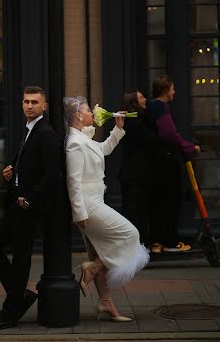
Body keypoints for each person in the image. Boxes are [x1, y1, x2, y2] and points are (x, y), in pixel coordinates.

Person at [0, 86, 60, 332]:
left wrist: (29, 199)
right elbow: (30, 164)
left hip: (27, 205)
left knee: (21, 257)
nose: (29, 106)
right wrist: (12, 170)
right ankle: (19, 297)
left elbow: (52, 173)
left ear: (44, 107)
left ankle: (11, 311)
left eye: (35, 102)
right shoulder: (30, 130)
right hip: (17, 202)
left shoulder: (45, 132)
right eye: (26, 101)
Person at [64, 96, 149, 322]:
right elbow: (73, 182)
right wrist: (80, 213)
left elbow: (103, 150)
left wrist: (117, 129)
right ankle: (90, 270)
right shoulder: (74, 143)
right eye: (87, 109)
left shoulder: (83, 138)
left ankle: (105, 302)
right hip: (88, 205)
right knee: (130, 234)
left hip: (94, 201)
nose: (92, 112)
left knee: (97, 252)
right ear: (78, 115)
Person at [146, 75, 201, 253]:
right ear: (165, 90)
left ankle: (156, 242)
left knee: (158, 201)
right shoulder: (160, 107)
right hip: (166, 161)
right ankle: (170, 242)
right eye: (172, 88)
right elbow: (169, 135)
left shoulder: (153, 107)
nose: (174, 91)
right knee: (171, 200)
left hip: (156, 161)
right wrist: (190, 147)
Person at [120, 90, 162, 246]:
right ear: (134, 102)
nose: (145, 99)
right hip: (137, 176)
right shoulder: (135, 122)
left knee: (135, 212)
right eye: (141, 97)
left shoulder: (134, 121)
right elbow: (152, 141)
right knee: (137, 213)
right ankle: (138, 246)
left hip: (134, 175)